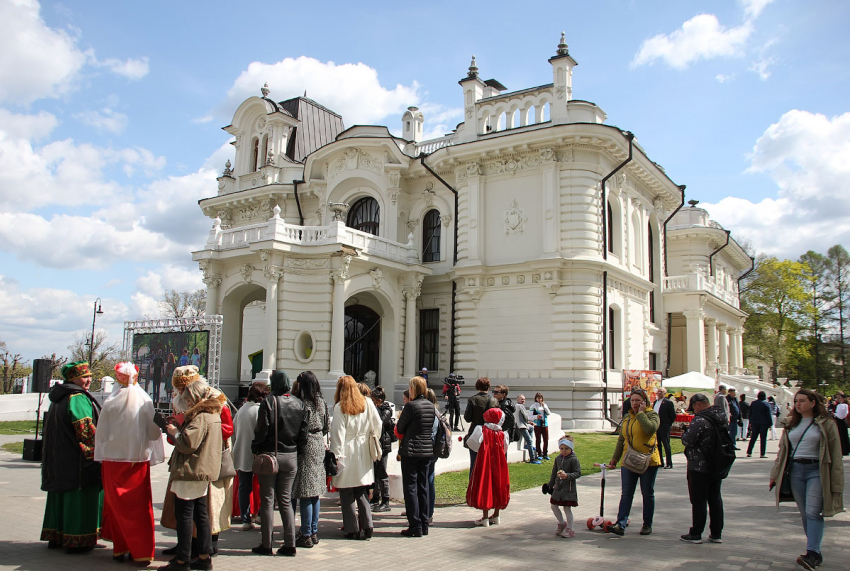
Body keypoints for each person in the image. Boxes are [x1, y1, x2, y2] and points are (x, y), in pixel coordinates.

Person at [96, 362, 165, 563]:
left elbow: (101, 435)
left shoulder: (110, 401)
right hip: (137, 461)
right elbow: (153, 433)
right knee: (139, 506)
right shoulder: (144, 400)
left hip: (113, 461)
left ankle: (120, 548)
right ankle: (142, 552)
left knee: (116, 504)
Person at [769, 389, 845, 570]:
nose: (798, 404)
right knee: (805, 513)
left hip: (817, 471)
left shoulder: (826, 423)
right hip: (795, 471)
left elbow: (836, 453)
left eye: (802, 401)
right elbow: (782, 452)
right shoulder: (791, 423)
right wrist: (774, 474)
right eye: (796, 401)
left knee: (813, 512)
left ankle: (812, 553)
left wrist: (837, 481)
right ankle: (814, 551)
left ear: (813, 403)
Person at [159, 366, 224, 571]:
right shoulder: (212, 414)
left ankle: (182, 560)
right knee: (200, 515)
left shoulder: (200, 416)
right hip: (201, 470)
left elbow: (188, 444)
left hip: (191, 470)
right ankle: (204, 557)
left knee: (186, 515)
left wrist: (174, 432)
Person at [40, 361, 103, 553]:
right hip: (76, 461)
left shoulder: (58, 398)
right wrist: (100, 450)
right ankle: (78, 540)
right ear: (72, 379)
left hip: (58, 457)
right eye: (84, 377)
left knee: (60, 495)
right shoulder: (76, 397)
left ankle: (58, 536)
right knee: (78, 497)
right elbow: (85, 429)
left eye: (90, 376)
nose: (89, 380)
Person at [251, 370, 308, 556]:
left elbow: (262, 430)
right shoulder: (300, 403)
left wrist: (256, 448)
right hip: (291, 456)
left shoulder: (268, 402)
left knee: (268, 501)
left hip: (270, 455)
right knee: (285, 501)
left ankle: (267, 544)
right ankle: (290, 543)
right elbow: (303, 435)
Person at [330, 375, 382, 540]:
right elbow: (378, 425)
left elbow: (337, 435)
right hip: (363, 450)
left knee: (346, 492)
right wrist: (372, 439)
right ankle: (368, 525)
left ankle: (352, 528)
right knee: (361, 490)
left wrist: (336, 456)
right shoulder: (367, 403)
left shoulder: (340, 407)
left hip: (347, 450)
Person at [606, 388, 661, 536]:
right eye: (632, 400)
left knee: (647, 493)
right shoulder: (627, 417)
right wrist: (615, 458)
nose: (635, 403)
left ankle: (647, 524)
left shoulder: (652, 415)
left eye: (638, 400)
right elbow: (621, 439)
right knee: (626, 493)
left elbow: (650, 429)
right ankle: (620, 524)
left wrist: (641, 413)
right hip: (629, 460)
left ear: (645, 401)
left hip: (647, 461)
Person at [679, 393, 727, 544]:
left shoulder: (700, 420)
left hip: (699, 465)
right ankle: (716, 533)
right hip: (717, 463)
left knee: (699, 500)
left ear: (698, 404)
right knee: (715, 498)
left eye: (693, 408)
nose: (693, 411)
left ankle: (696, 533)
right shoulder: (720, 416)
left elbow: (687, 440)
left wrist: (685, 432)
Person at [395, 377, 437, 537]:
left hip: (411, 451)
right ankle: (424, 523)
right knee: (423, 486)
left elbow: (399, 429)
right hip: (426, 450)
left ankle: (415, 525)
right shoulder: (430, 405)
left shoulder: (410, 406)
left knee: (411, 488)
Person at [291, 371, 329, 548]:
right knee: (315, 493)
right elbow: (326, 426)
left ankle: (305, 533)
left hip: (306, 445)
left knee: (306, 492)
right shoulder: (321, 401)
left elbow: (297, 428)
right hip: (318, 443)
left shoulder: (302, 404)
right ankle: (313, 531)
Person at [232, 381, 269, 530]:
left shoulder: (241, 410)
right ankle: (260, 514)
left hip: (241, 451)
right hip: (258, 453)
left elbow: (234, 430)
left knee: (244, 487)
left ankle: (246, 519)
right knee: (262, 485)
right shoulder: (261, 410)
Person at [466, 407, 510, 527]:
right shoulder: (503, 434)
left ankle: (485, 516)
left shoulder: (481, 430)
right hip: (499, 462)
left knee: (485, 484)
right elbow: (505, 448)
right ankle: (496, 514)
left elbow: (472, 444)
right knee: (498, 484)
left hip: (484, 461)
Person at [463, 377, 499, 477]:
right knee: (488, 464)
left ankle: (473, 489)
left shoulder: (473, 399)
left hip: (475, 433)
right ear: (488, 387)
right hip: (490, 434)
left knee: (474, 464)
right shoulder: (494, 400)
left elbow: (467, 418)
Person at [547, 436, 581, 538]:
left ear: (571, 448)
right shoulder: (558, 459)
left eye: (566, 448)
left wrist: (568, 476)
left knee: (567, 508)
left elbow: (578, 473)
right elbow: (554, 473)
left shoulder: (573, 459)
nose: (564, 451)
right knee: (553, 506)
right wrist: (550, 485)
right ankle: (562, 523)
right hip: (558, 488)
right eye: (562, 448)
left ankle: (570, 529)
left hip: (568, 489)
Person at [370, 386, 395, 513]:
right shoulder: (379, 408)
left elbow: (379, 422)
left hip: (383, 445)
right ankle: (375, 498)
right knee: (375, 472)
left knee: (382, 473)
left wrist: (374, 409)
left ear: (379, 400)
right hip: (377, 444)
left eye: (373, 400)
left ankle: (385, 500)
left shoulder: (386, 410)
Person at [653, 387, 676, 469]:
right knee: (658, 445)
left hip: (664, 426)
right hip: (656, 426)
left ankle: (669, 463)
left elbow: (672, 415)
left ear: (664, 393)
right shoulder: (655, 402)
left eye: (661, 392)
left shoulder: (668, 402)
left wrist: (668, 424)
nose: (659, 393)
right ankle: (660, 462)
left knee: (666, 445)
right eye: (658, 391)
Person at [515, 394, 540, 464]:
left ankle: (526, 445)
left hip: (520, 425)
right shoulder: (520, 406)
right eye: (522, 399)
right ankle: (532, 458)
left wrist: (529, 423)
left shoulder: (516, 406)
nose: (523, 400)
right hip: (522, 426)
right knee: (529, 441)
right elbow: (526, 416)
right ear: (518, 400)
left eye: (524, 399)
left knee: (531, 428)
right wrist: (534, 418)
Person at [748, 391, 773, 458]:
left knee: (753, 437)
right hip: (763, 423)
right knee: (763, 438)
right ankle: (762, 453)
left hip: (755, 422)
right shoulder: (766, 404)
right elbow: (768, 415)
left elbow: (750, 413)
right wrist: (770, 424)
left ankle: (749, 452)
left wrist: (750, 421)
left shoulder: (753, 403)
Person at [493, 384, 516, 452]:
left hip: (501, 435)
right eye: (493, 392)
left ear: (503, 394)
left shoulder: (503, 407)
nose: (494, 394)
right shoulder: (501, 404)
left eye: (496, 392)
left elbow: (508, 423)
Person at [529, 392, 552, 460]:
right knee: (538, 439)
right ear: (536, 399)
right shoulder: (533, 406)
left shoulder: (544, 405)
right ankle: (539, 453)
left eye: (541, 398)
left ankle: (545, 453)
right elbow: (530, 416)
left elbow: (548, 413)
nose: (539, 399)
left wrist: (544, 406)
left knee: (546, 439)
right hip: (537, 424)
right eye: (538, 398)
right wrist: (536, 416)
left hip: (545, 424)